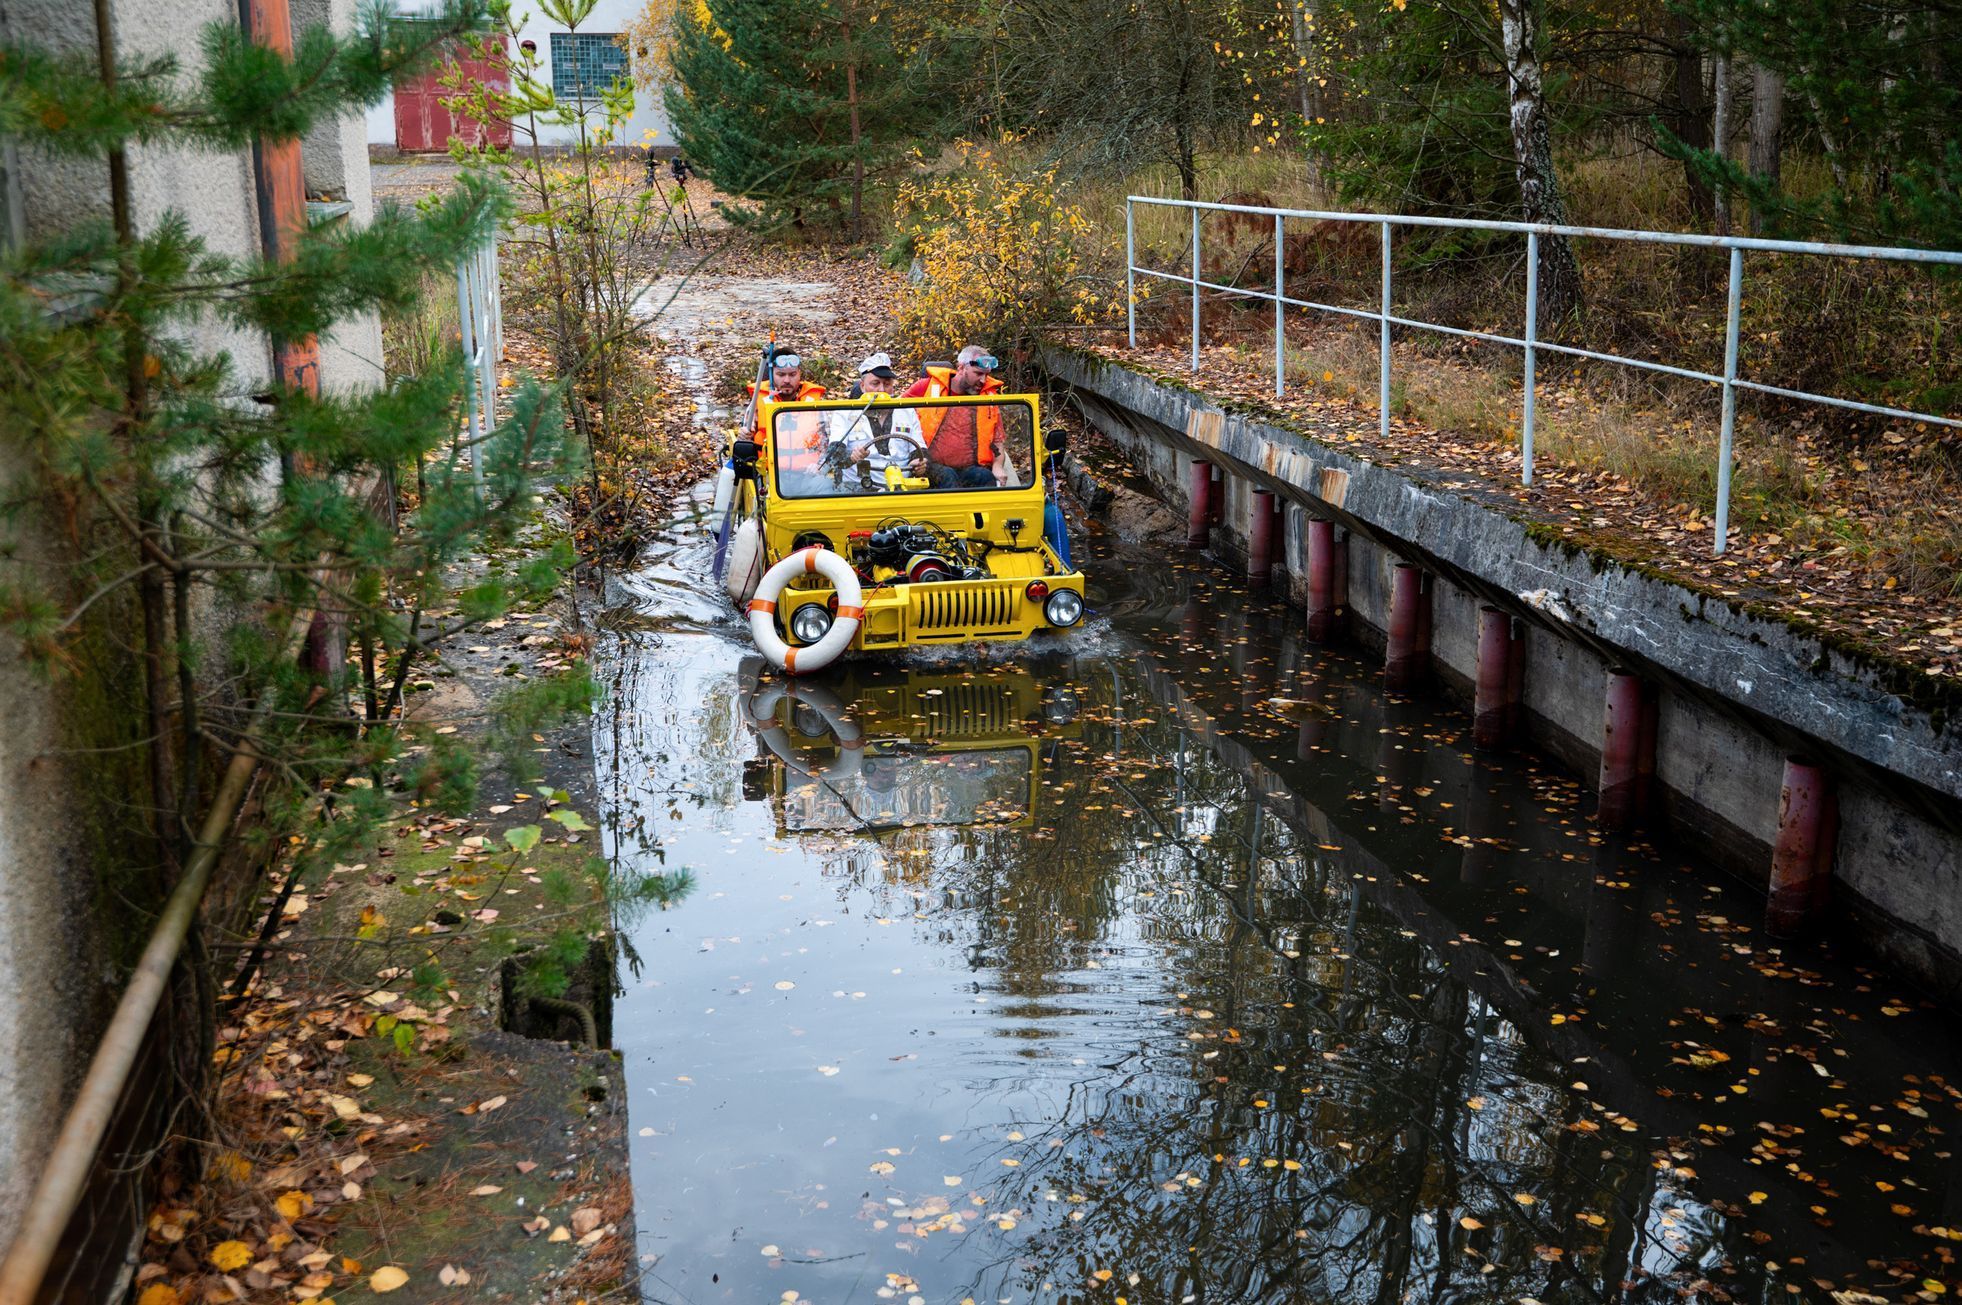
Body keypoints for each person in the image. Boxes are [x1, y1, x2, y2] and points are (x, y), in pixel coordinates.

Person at [902, 345, 1011, 489]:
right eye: (978, 373)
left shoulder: (988, 397)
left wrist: (997, 466)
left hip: (970, 468)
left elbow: (997, 440)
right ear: (961, 368)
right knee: (948, 476)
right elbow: (895, 412)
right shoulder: (925, 387)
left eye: (986, 375)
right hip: (929, 466)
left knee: (985, 477)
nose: (983, 380)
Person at [826, 353, 924, 491]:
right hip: (857, 487)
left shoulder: (907, 411)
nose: (882, 390)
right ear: (862, 386)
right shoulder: (844, 412)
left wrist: (920, 463)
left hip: (902, 486)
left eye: (887, 384)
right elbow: (833, 457)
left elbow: (921, 450)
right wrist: (852, 457)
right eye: (875, 383)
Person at [751, 349, 828, 484]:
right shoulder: (757, 403)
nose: (787, 380)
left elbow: (827, 440)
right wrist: (744, 435)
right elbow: (746, 436)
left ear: (799, 374)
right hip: (769, 475)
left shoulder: (815, 403)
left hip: (809, 474)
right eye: (781, 375)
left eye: (792, 374)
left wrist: (820, 465)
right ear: (771, 374)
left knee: (826, 488)